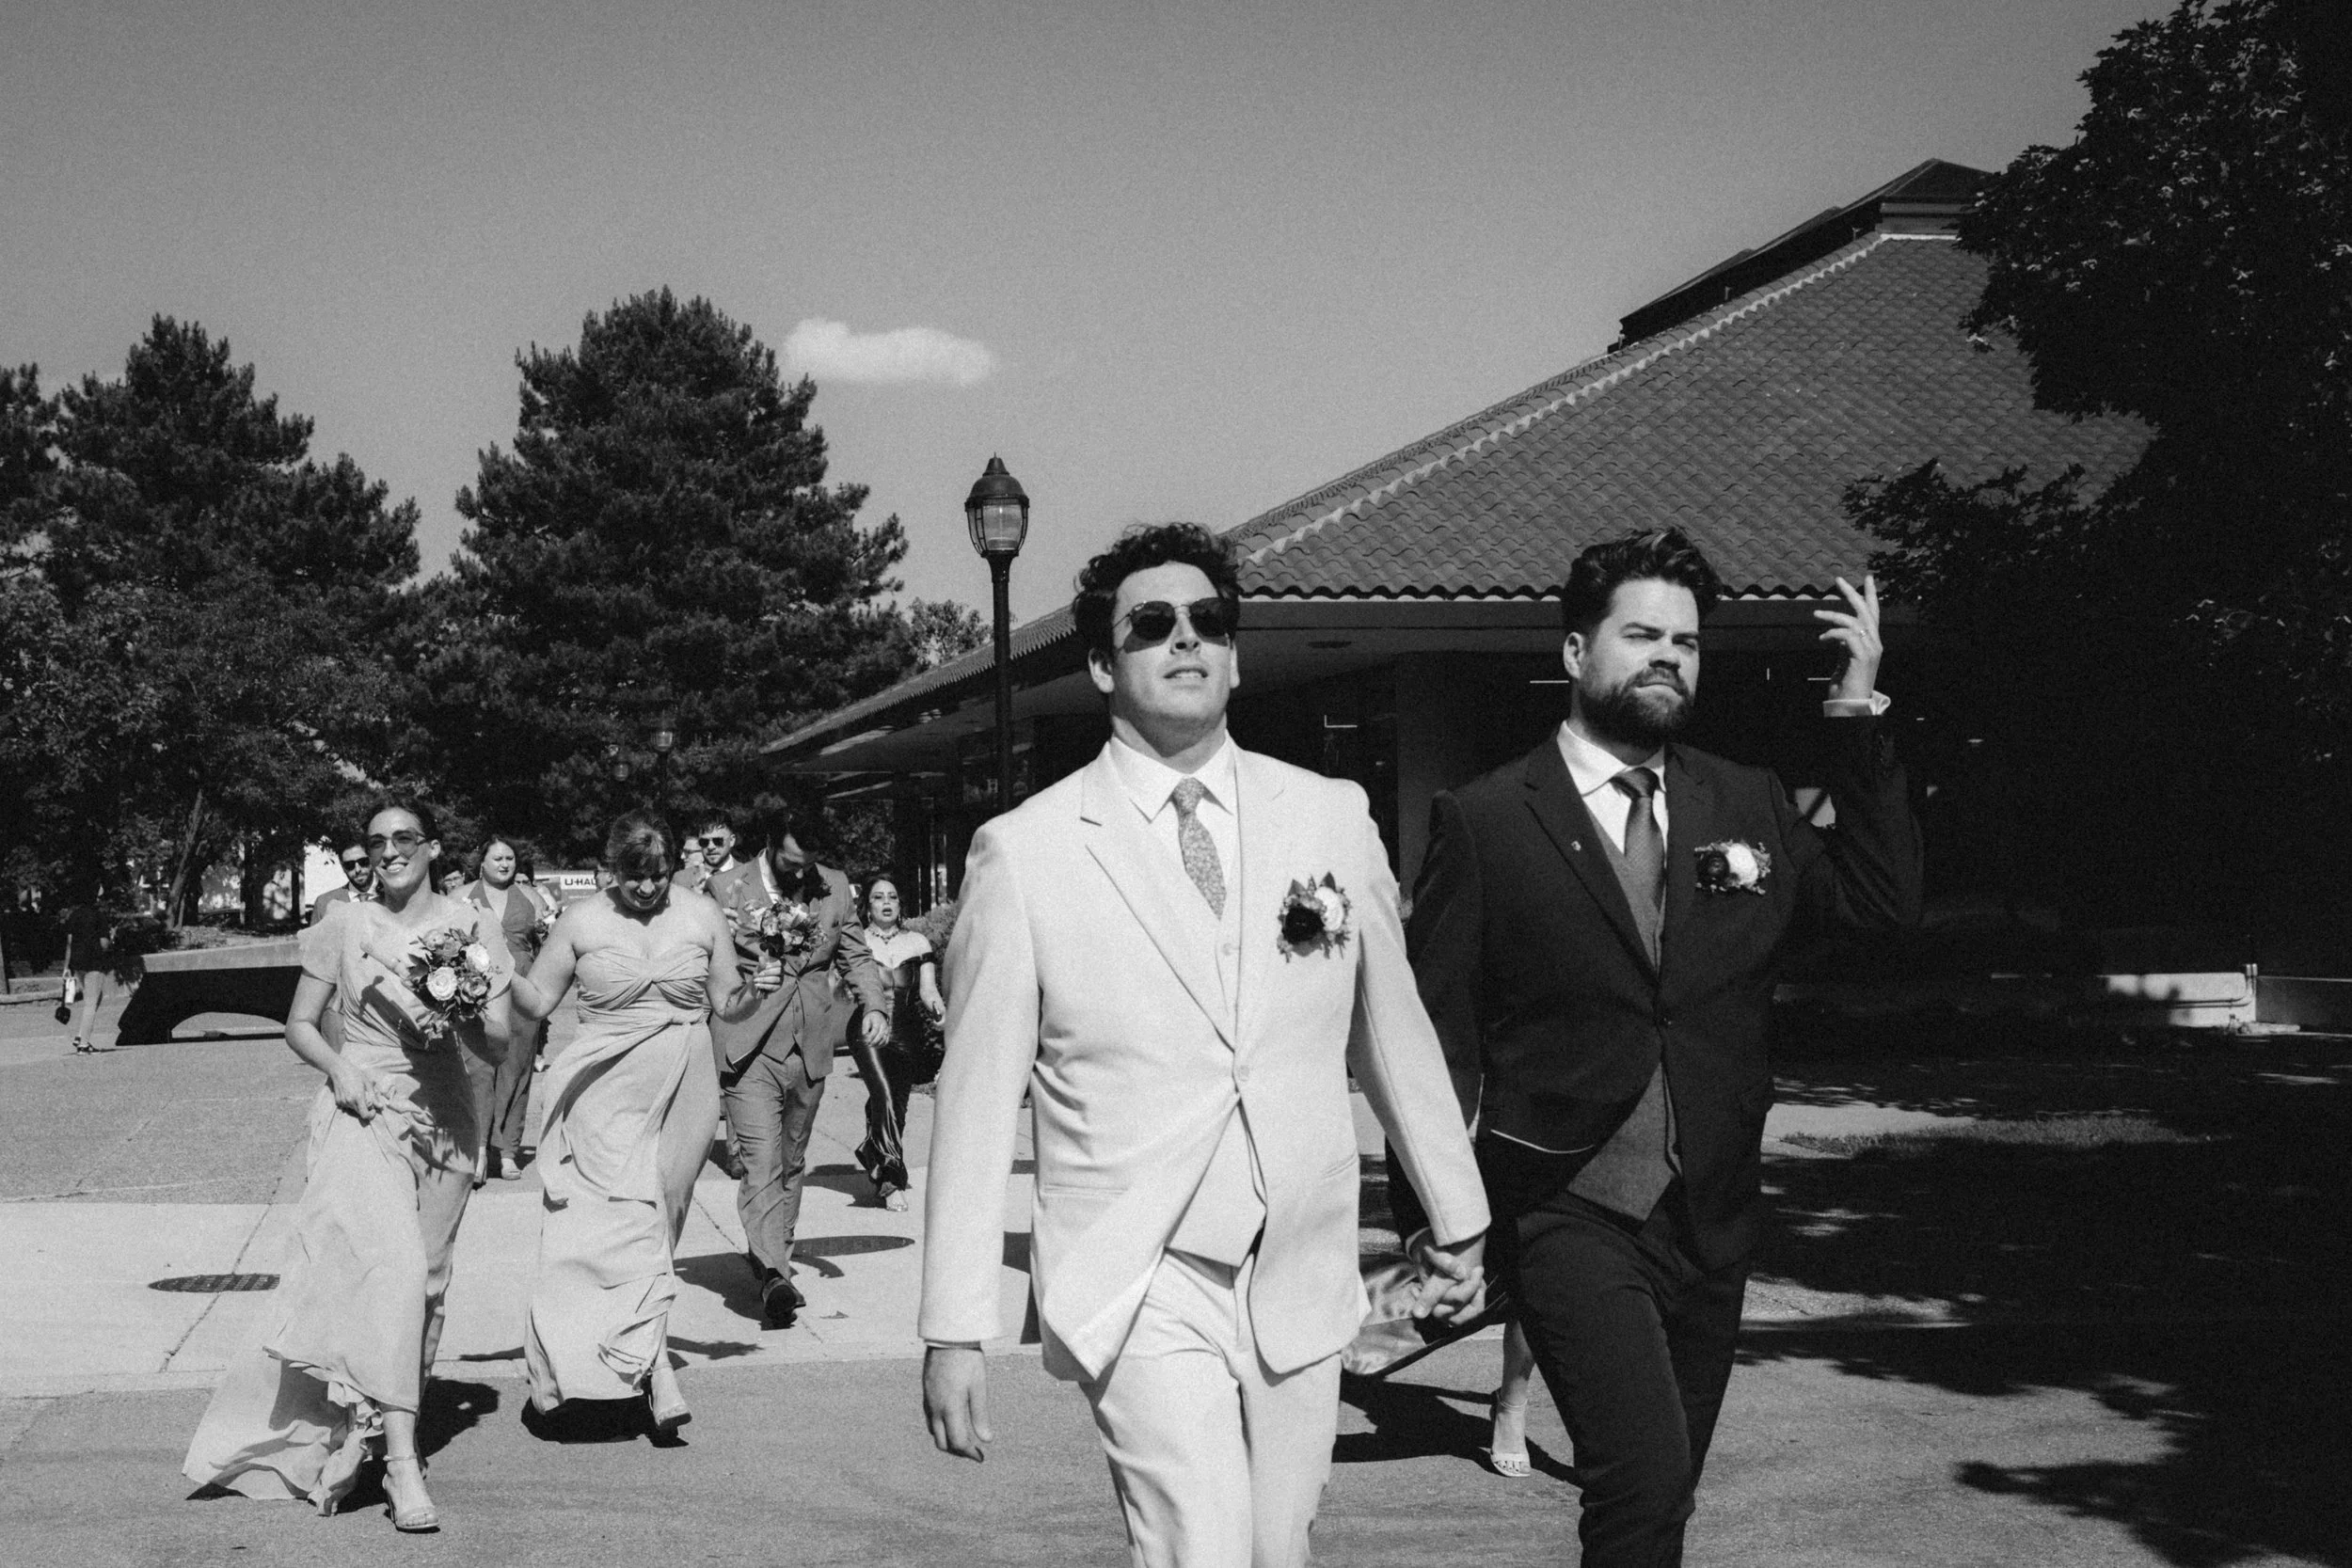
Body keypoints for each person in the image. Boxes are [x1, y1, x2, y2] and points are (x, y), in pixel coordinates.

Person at [920, 523, 1490, 1568]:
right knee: (1204, 1546)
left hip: (1300, 1257)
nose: (1185, 639)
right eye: (1152, 623)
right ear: (1104, 665)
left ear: (1234, 656)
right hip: (1137, 1267)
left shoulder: (1330, 816)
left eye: (1209, 621)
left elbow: (1393, 1032)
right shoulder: (1027, 851)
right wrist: (954, 1325)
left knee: (1279, 1544)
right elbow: (975, 1100)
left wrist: (1458, 1214)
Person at [1406, 528, 1923, 1566]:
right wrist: (1437, 1223)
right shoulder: (1489, 818)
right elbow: (1433, 1042)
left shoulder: (1745, 799)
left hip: (1712, 1213)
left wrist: (1855, 707)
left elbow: (1880, 903)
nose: (1668, 657)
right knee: (1639, 1482)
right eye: (1641, 635)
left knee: (1664, 1493)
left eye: (1685, 641)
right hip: (1567, 1205)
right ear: (1574, 651)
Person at [183, 801, 513, 1533]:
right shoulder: (343, 925)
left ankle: (377, 1421)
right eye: (375, 841)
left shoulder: (472, 926)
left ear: (432, 847)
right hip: (366, 1106)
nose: (389, 851)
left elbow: (497, 1044)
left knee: (428, 1282)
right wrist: (339, 1069)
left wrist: (462, 1008)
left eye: (404, 838)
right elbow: (300, 1024)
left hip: (447, 1113)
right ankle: (402, 1463)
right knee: (393, 1271)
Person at [506, 812, 755, 1434]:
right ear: (611, 867)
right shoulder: (581, 920)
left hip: (686, 1080)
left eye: (658, 875)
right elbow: (536, 1001)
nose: (646, 888)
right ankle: (655, 1369)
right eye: (633, 875)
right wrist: (486, 967)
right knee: (609, 1223)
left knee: (663, 1218)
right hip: (604, 1085)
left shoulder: (702, 913)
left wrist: (759, 985)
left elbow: (728, 1003)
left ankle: (641, 1353)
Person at [707, 805, 889, 1328]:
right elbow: (705, 966)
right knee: (760, 1162)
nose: (800, 872)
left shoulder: (835, 885)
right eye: (790, 862)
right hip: (748, 1042)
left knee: (791, 1160)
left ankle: (776, 1257)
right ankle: (773, 1274)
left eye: (807, 863)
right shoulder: (725, 890)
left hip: (811, 1043)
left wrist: (874, 1005)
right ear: (769, 844)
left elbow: (855, 955)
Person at [850, 872, 945, 1212]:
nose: (886, 903)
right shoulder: (856, 941)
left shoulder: (917, 942)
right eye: (878, 897)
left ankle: (873, 1151)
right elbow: (835, 986)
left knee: (897, 1106)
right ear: (867, 906)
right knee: (884, 1096)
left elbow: (928, 990)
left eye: (892, 897)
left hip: (906, 1032)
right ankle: (891, 1180)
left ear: (900, 904)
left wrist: (939, 1010)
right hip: (867, 1029)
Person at [462, 835, 552, 1181]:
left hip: (521, 987)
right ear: (482, 863)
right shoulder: (460, 897)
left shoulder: (532, 898)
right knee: (479, 1067)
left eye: (510, 858)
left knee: (517, 1066)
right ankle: (478, 1147)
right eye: (497, 858)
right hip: (476, 987)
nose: (504, 864)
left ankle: (508, 1150)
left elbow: (547, 946)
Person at [60, 895, 113, 1054]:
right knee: (91, 1003)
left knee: (95, 996)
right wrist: (112, 938)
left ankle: (80, 1035)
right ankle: (83, 1044)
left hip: (77, 962)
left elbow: (69, 943)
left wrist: (66, 966)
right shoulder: (99, 916)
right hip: (94, 962)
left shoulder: (74, 915)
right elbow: (104, 945)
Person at [307, 841, 375, 925]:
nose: (357, 870)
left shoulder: (389, 895)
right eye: (350, 865)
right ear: (343, 867)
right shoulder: (324, 903)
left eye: (363, 862)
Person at [672, 813, 741, 896]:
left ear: (731, 840)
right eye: (704, 842)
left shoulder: (750, 876)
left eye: (718, 841)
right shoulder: (680, 879)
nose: (710, 847)